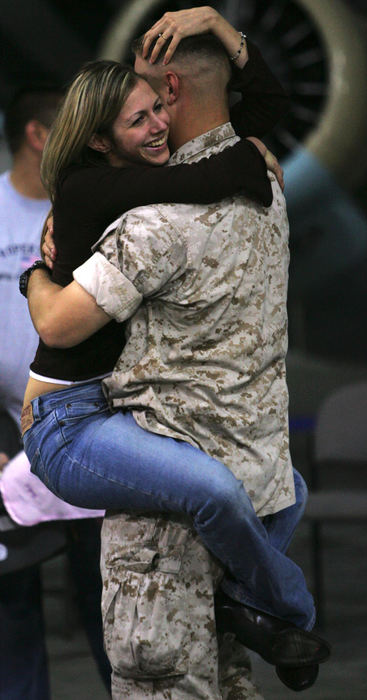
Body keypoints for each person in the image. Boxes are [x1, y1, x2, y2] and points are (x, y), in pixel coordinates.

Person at [21, 8, 330, 693]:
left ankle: (245, 605)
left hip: (134, 440)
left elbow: (180, 187)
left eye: (149, 104)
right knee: (243, 495)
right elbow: (60, 326)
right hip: (71, 419)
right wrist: (32, 275)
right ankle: (281, 606)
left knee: (187, 675)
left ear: (167, 90)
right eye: (132, 119)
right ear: (102, 140)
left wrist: (222, 35)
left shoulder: (153, 220)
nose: (151, 123)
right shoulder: (246, 188)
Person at [0, 86, 111, 698]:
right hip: (3, 431)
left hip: (85, 426)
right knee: (12, 602)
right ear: (39, 137)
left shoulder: (90, 207)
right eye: (69, 130)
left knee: (107, 601)